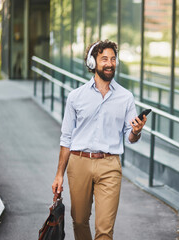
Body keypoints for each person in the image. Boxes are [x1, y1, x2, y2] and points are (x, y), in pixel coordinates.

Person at [51, 39, 147, 240]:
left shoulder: (126, 97)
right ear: (92, 62)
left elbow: (130, 137)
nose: (110, 63)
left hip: (110, 165)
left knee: (104, 231)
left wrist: (136, 131)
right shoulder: (76, 97)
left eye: (113, 59)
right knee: (79, 221)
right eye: (104, 59)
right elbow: (66, 138)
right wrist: (59, 174)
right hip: (79, 163)